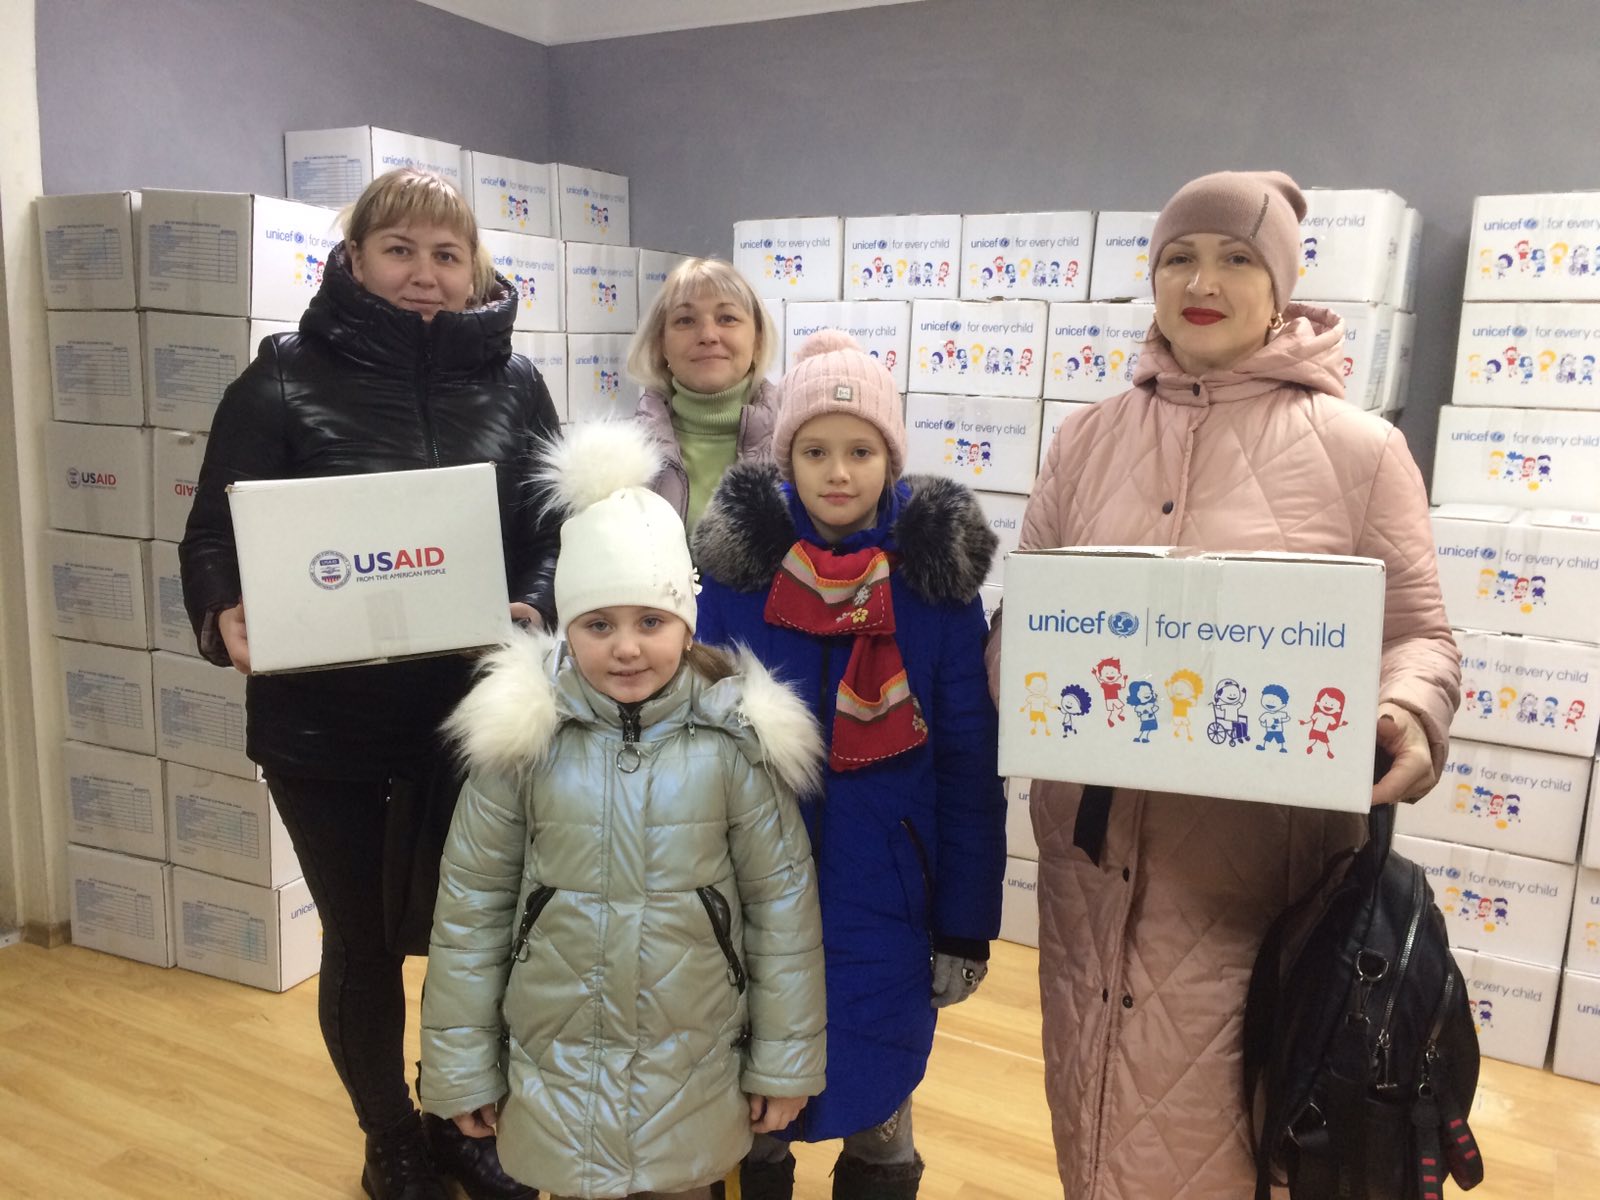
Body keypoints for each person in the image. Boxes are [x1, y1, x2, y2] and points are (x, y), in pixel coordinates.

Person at [984, 170, 1460, 1199]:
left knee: (1228, 1143)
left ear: (1280, 286)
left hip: (1253, 879)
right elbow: (1028, 616)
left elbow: (1418, 637)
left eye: (1237, 259)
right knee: (1090, 1112)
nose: (1203, 282)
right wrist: (1022, 679)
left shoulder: (1362, 451)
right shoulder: (1084, 440)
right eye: (1179, 258)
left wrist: (1406, 713)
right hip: (1088, 868)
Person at [180, 168, 562, 1200]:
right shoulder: (280, 379)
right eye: (399, 250)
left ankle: (458, 1118)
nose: (424, 273)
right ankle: (388, 1135)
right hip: (326, 729)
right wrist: (222, 610)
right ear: (353, 260)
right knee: (361, 945)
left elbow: (551, 528)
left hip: (476, 723)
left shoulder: (517, 386)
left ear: (474, 267)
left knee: (475, 940)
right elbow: (212, 531)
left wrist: (535, 600)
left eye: (446, 254)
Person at [418, 421, 827, 1200]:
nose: (627, 648)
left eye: (651, 621)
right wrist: (463, 1067)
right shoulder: (522, 743)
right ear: (567, 626)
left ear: (686, 622)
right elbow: (471, 911)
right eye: (599, 624)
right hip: (558, 1074)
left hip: (692, 1072)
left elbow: (782, 910)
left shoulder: (733, 744)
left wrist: (783, 1061)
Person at [691, 331, 1007, 1199]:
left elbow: (968, 766)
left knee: (881, 1102)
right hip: (754, 890)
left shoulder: (934, 587)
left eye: (860, 451)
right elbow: (699, 744)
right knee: (754, 1113)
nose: (838, 472)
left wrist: (964, 924)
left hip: (891, 899)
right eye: (815, 451)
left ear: (891, 457)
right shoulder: (739, 580)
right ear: (785, 457)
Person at [627, 258, 779, 537]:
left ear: (757, 340)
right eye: (685, 320)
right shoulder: (623, 460)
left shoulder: (799, 445)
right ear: (661, 344)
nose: (708, 335)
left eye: (727, 318)